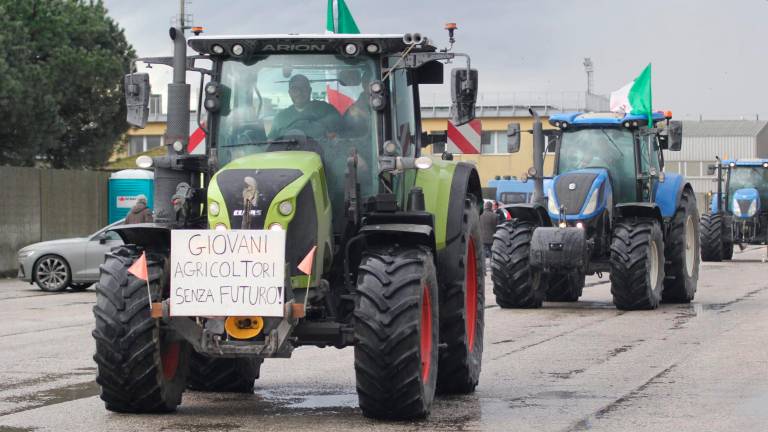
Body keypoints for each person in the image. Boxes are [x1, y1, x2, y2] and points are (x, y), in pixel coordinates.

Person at [268, 74, 341, 140]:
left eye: (304, 88)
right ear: (289, 93)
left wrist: (335, 137)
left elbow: (343, 137)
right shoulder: (281, 117)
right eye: (295, 89)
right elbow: (270, 145)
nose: (299, 92)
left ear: (310, 90)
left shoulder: (327, 110)